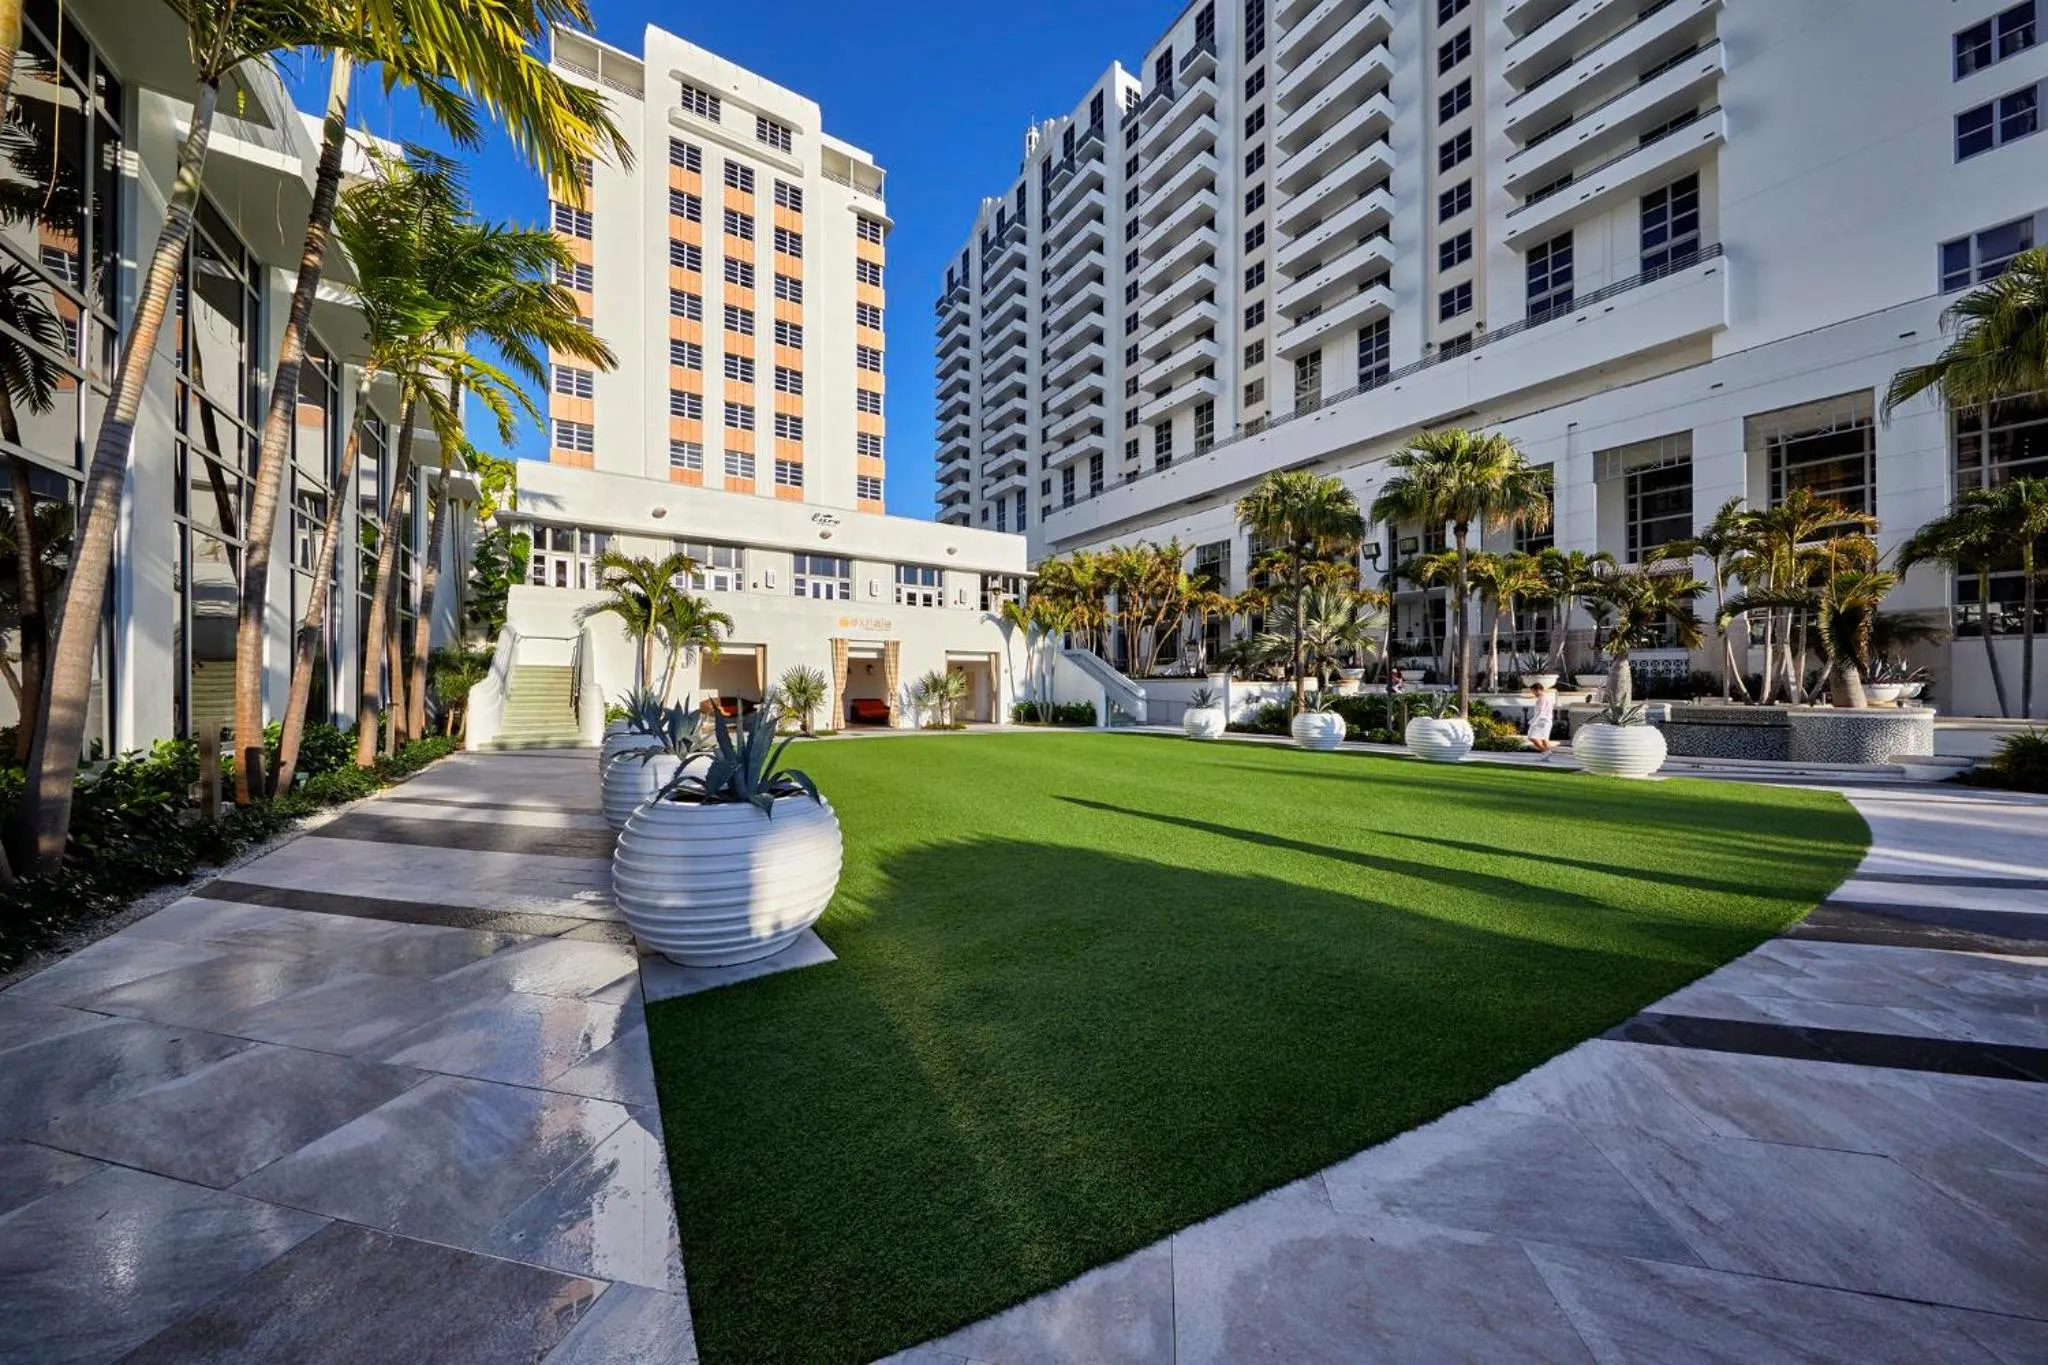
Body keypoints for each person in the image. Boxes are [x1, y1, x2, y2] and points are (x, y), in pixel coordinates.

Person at [1526, 679, 1557, 758]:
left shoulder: (1542, 698)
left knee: (1531, 737)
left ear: (1538, 690)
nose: (1533, 693)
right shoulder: (1547, 697)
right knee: (1544, 738)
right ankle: (1546, 754)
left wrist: (1533, 721)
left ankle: (1545, 751)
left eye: (1533, 691)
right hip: (1546, 721)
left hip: (1542, 721)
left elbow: (1541, 712)